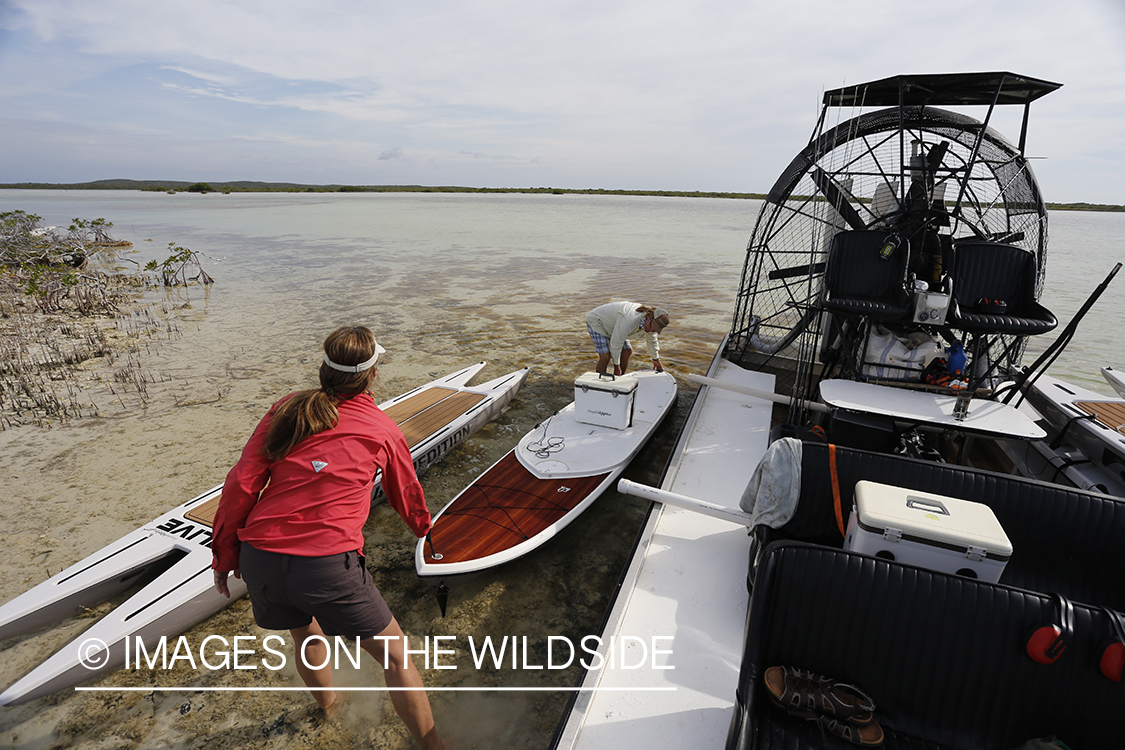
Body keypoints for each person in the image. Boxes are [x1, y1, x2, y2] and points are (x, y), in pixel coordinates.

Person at [211, 325, 444, 750]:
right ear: (373, 375)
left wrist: (224, 555)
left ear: (324, 368)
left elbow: (241, 484)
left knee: (306, 634)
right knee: (396, 656)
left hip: (260, 557)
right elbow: (406, 493)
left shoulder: (285, 409)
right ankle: (433, 746)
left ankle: (331, 709)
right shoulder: (381, 428)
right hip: (326, 566)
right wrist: (426, 532)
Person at [585, 301, 670, 376]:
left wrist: (656, 359)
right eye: (652, 326)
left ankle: (621, 377)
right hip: (598, 321)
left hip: (615, 325)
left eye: (655, 329)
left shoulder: (651, 325)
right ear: (649, 316)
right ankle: (599, 384)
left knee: (627, 351)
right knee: (605, 356)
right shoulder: (629, 319)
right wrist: (616, 366)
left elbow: (652, 342)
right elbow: (616, 343)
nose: (651, 330)